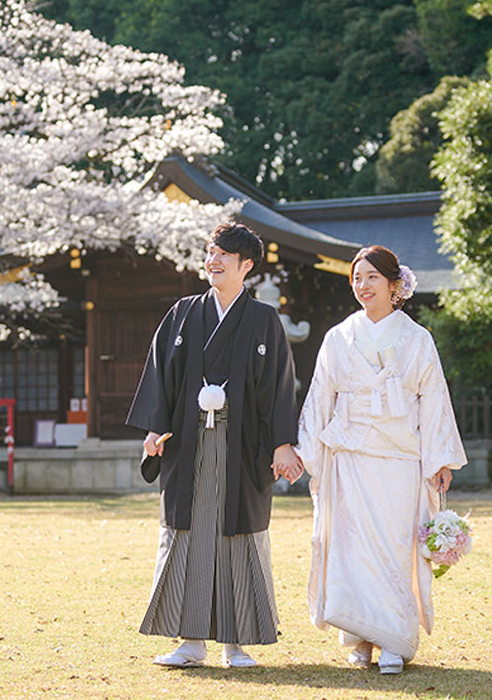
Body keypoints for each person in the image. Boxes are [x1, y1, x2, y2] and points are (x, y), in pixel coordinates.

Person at [126, 221, 304, 669]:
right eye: (210, 251)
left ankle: (236, 642)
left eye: (225, 254)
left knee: (238, 534)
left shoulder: (263, 320)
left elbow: (279, 388)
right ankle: (190, 642)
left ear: (247, 266)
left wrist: (282, 444)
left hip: (242, 445)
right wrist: (154, 427)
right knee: (188, 534)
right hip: (189, 442)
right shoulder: (184, 312)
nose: (214, 260)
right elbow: (161, 374)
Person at [296, 245, 467, 675]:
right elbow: (320, 397)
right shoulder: (339, 337)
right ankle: (359, 637)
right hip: (350, 457)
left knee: (393, 549)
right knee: (352, 548)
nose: (362, 285)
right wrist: (305, 452)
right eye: (356, 278)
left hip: (398, 458)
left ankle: (394, 638)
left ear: (394, 285)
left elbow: (434, 401)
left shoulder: (417, 339)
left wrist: (439, 458)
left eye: (372, 277)